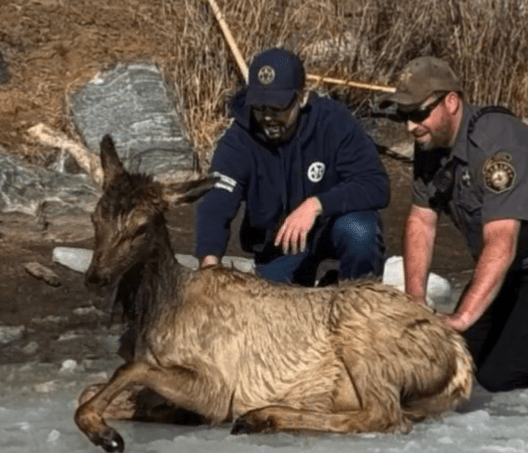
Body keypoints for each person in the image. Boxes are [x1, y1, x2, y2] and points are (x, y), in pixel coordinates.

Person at [381, 56, 528, 392]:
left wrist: (461, 318)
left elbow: (502, 242)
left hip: (515, 260)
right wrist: (415, 299)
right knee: (458, 358)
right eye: (405, 116)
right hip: (509, 272)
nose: (410, 126)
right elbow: (421, 220)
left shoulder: (496, 144)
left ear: (451, 102)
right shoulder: (431, 144)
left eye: (419, 113)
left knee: (497, 376)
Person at [195, 47, 389, 286]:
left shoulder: (333, 121)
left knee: (360, 231)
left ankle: (358, 306)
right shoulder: (238, 140)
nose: (268, 117)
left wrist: (317, 204)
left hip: (332, 230)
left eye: (277, 108)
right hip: (279, 247)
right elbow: (216, 204)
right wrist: (209, 264)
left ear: (302, 98)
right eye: (260, 107)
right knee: (275, 311)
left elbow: (375, 184)